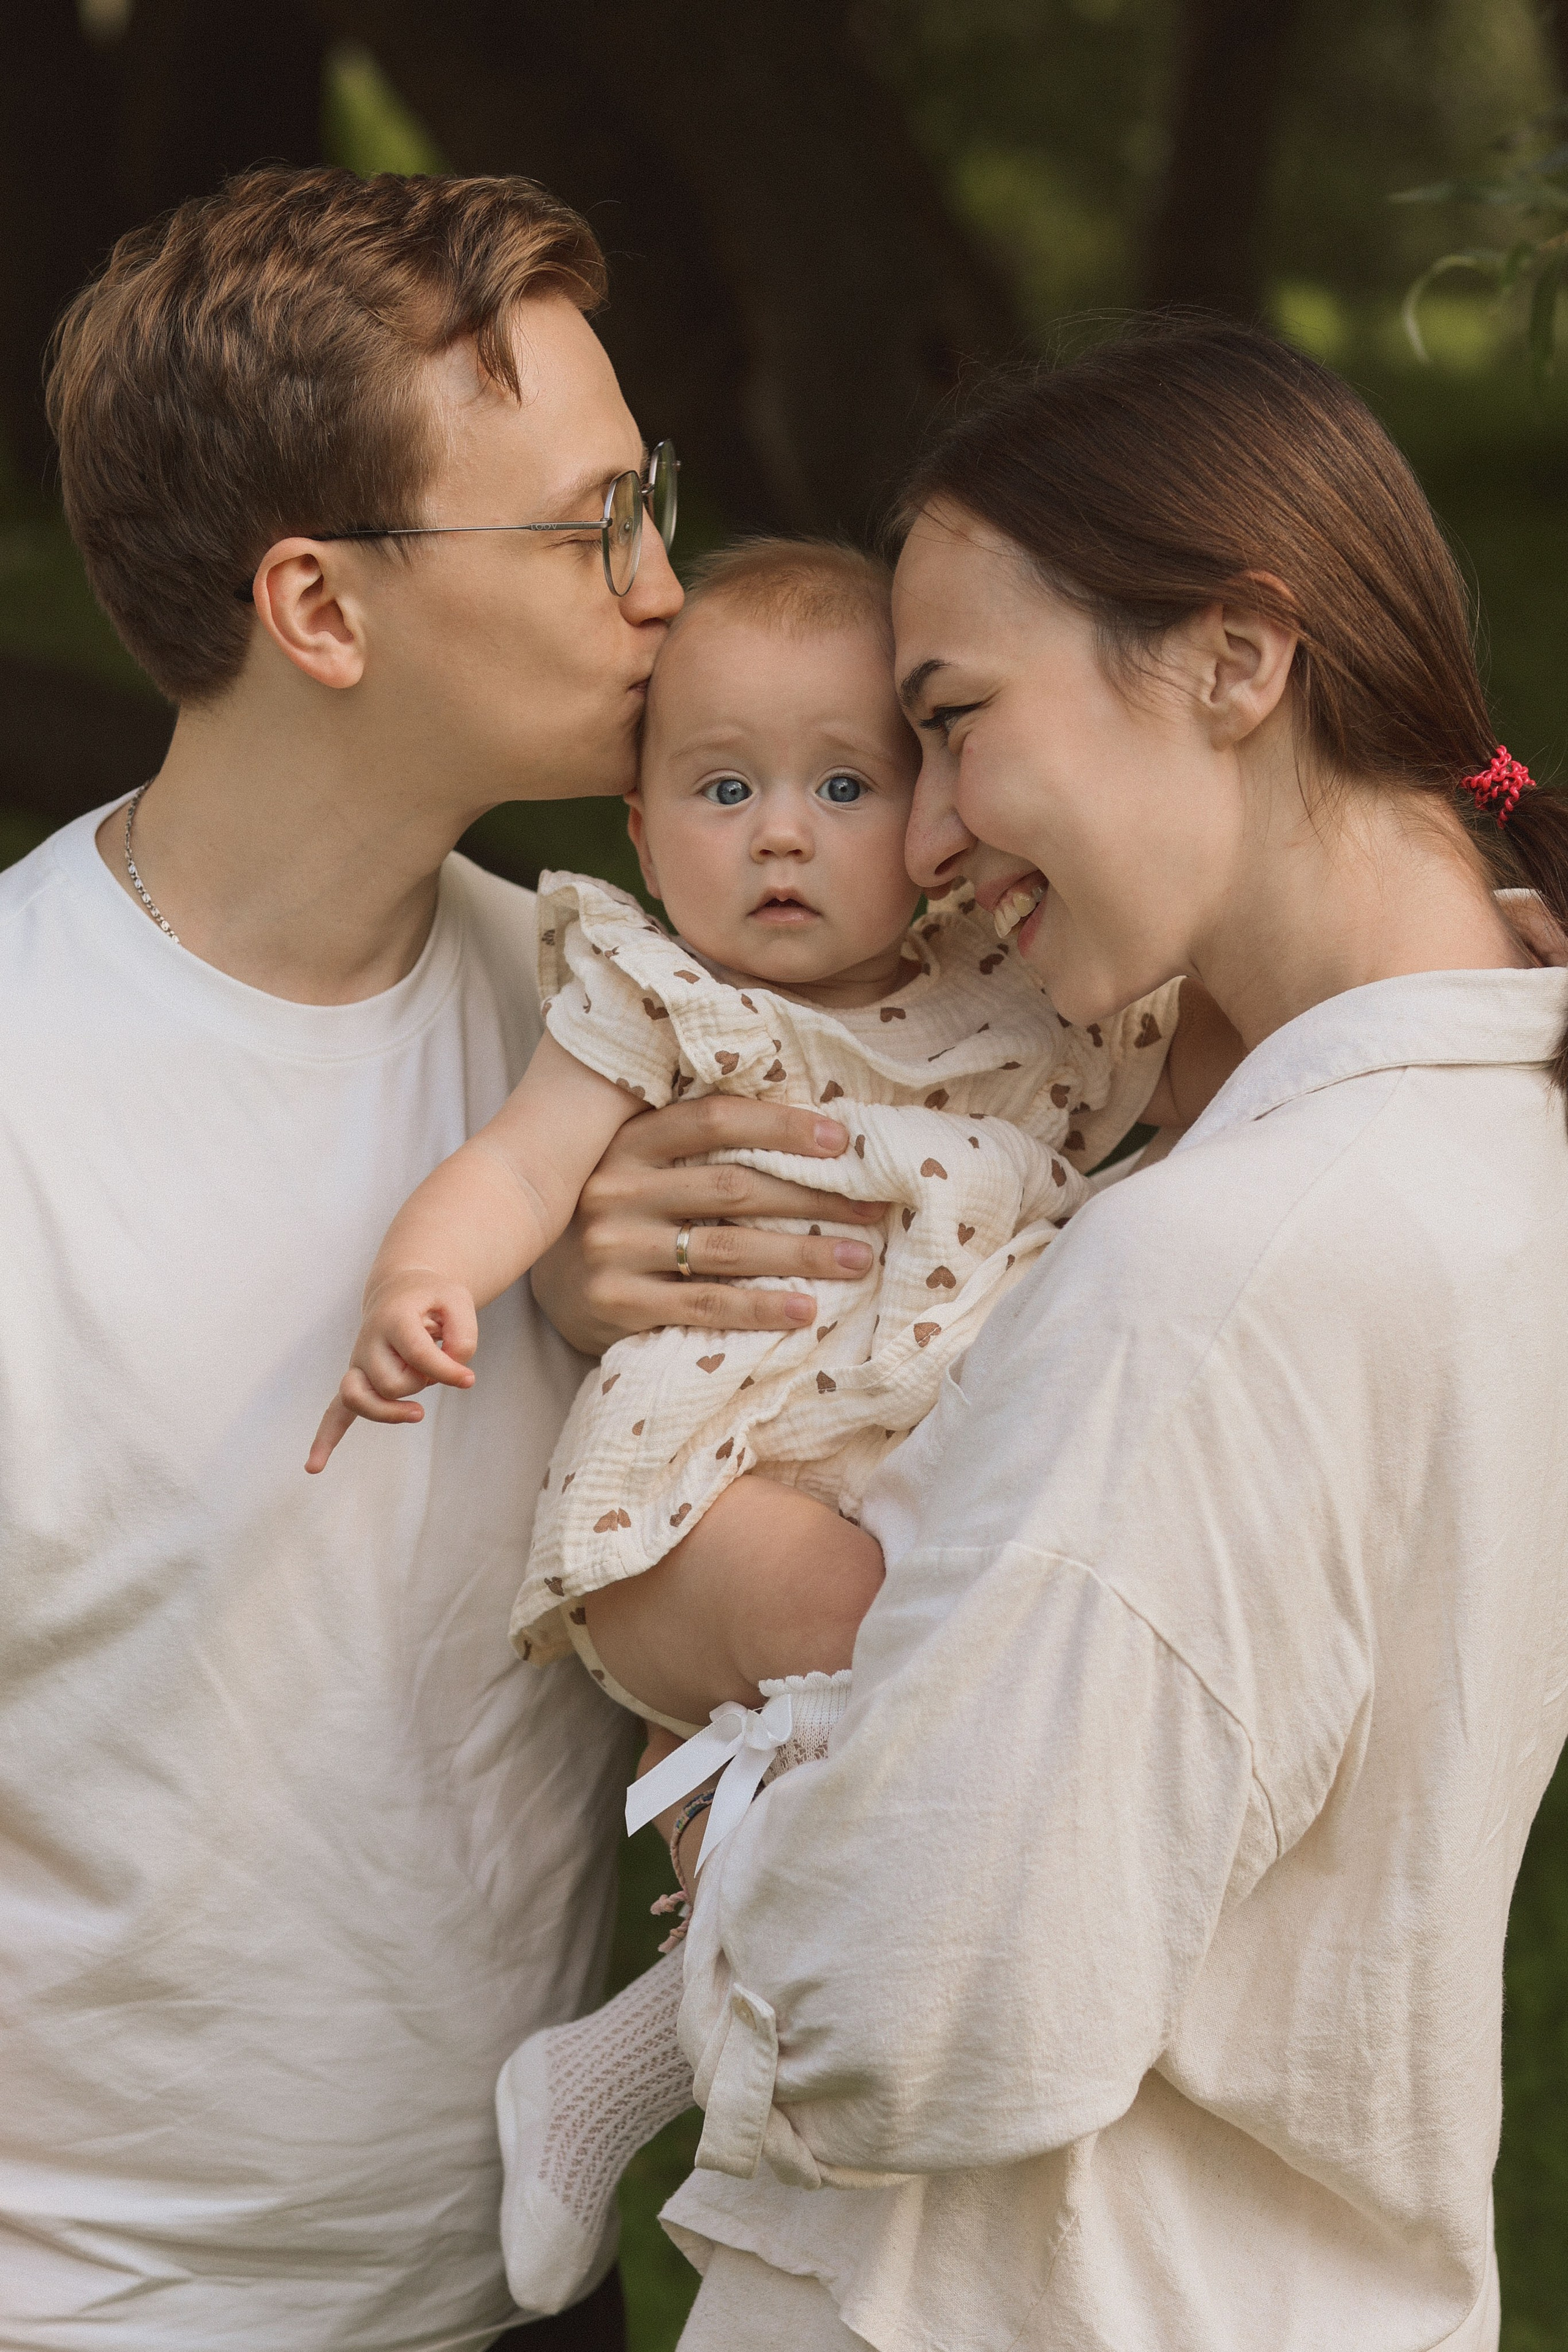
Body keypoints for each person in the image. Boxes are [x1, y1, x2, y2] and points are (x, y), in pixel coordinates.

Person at [0, 167, 878, 2352]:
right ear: (320, 608)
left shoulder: (623, 1021)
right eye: (594, 528)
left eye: (649, 500)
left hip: (529, 2278)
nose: (668, 591)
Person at [636, 322, 1568, 2350]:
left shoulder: (1229, 1268)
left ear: (1238, 659)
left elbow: (920, 2018)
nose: (934, 833)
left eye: (958, 720)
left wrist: (735, 1806)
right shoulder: (1502, 1129)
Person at [304, 534, 1216, 2313]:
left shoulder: (1016, 996)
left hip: (939, 1477)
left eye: (843, 783)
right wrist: (425, 1280)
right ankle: (696, 2093)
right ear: (642, 829)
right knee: (902, 1662)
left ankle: (629, 2078)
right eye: (725, 788)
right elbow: (515, 1168)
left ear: (937, 812)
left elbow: (1228, 1036)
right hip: (726, 1487)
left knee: (927, 1804)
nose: (782, 832)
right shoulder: (660, 1005)